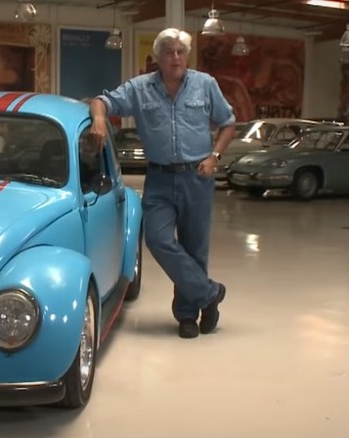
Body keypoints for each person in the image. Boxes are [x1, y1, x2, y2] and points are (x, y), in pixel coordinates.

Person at [88, 28, 236, 339]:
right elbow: (102, 101)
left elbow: (228, 122)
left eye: (181, 51)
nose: (176, 57)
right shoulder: (140, 89)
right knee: (157, 239)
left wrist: (215, 157)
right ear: (159, 58)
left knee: (195, 248)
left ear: (187, 55)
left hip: (198, 176)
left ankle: (186, 315)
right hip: (158, 178)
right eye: (169, 52)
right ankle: (209, 293)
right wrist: (100, 119)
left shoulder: (205, 84)